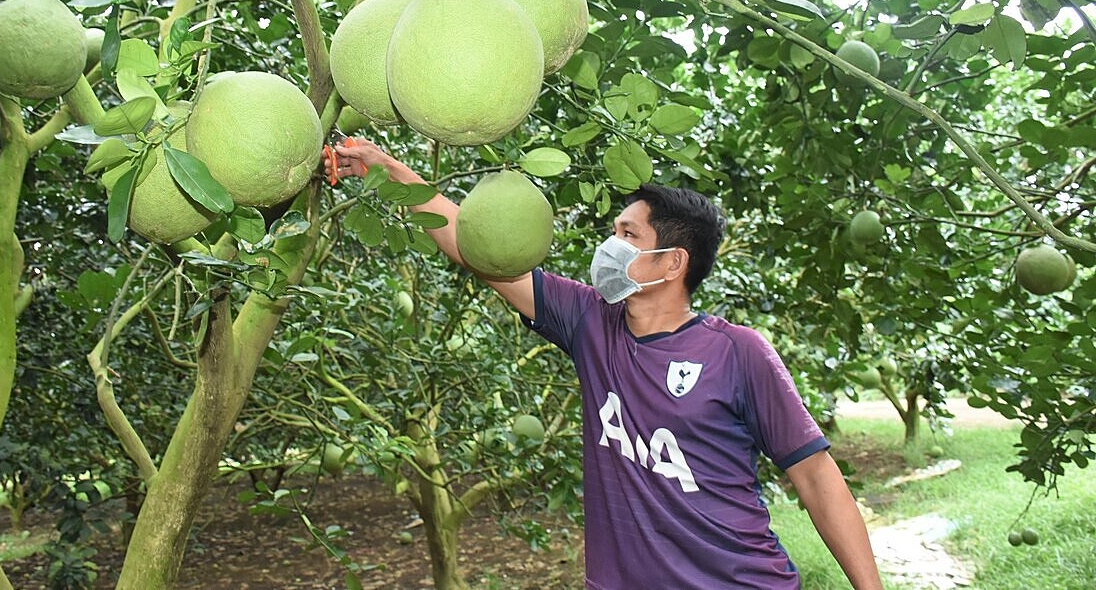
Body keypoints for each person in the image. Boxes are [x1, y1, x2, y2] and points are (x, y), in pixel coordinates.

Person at [325, 138, 885, 590]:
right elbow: (479, 248)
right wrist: (386, 167)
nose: (609, 245)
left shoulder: (737, 352)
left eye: (626, 235)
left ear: (672, 262)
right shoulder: (591, 321)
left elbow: (815, 477)